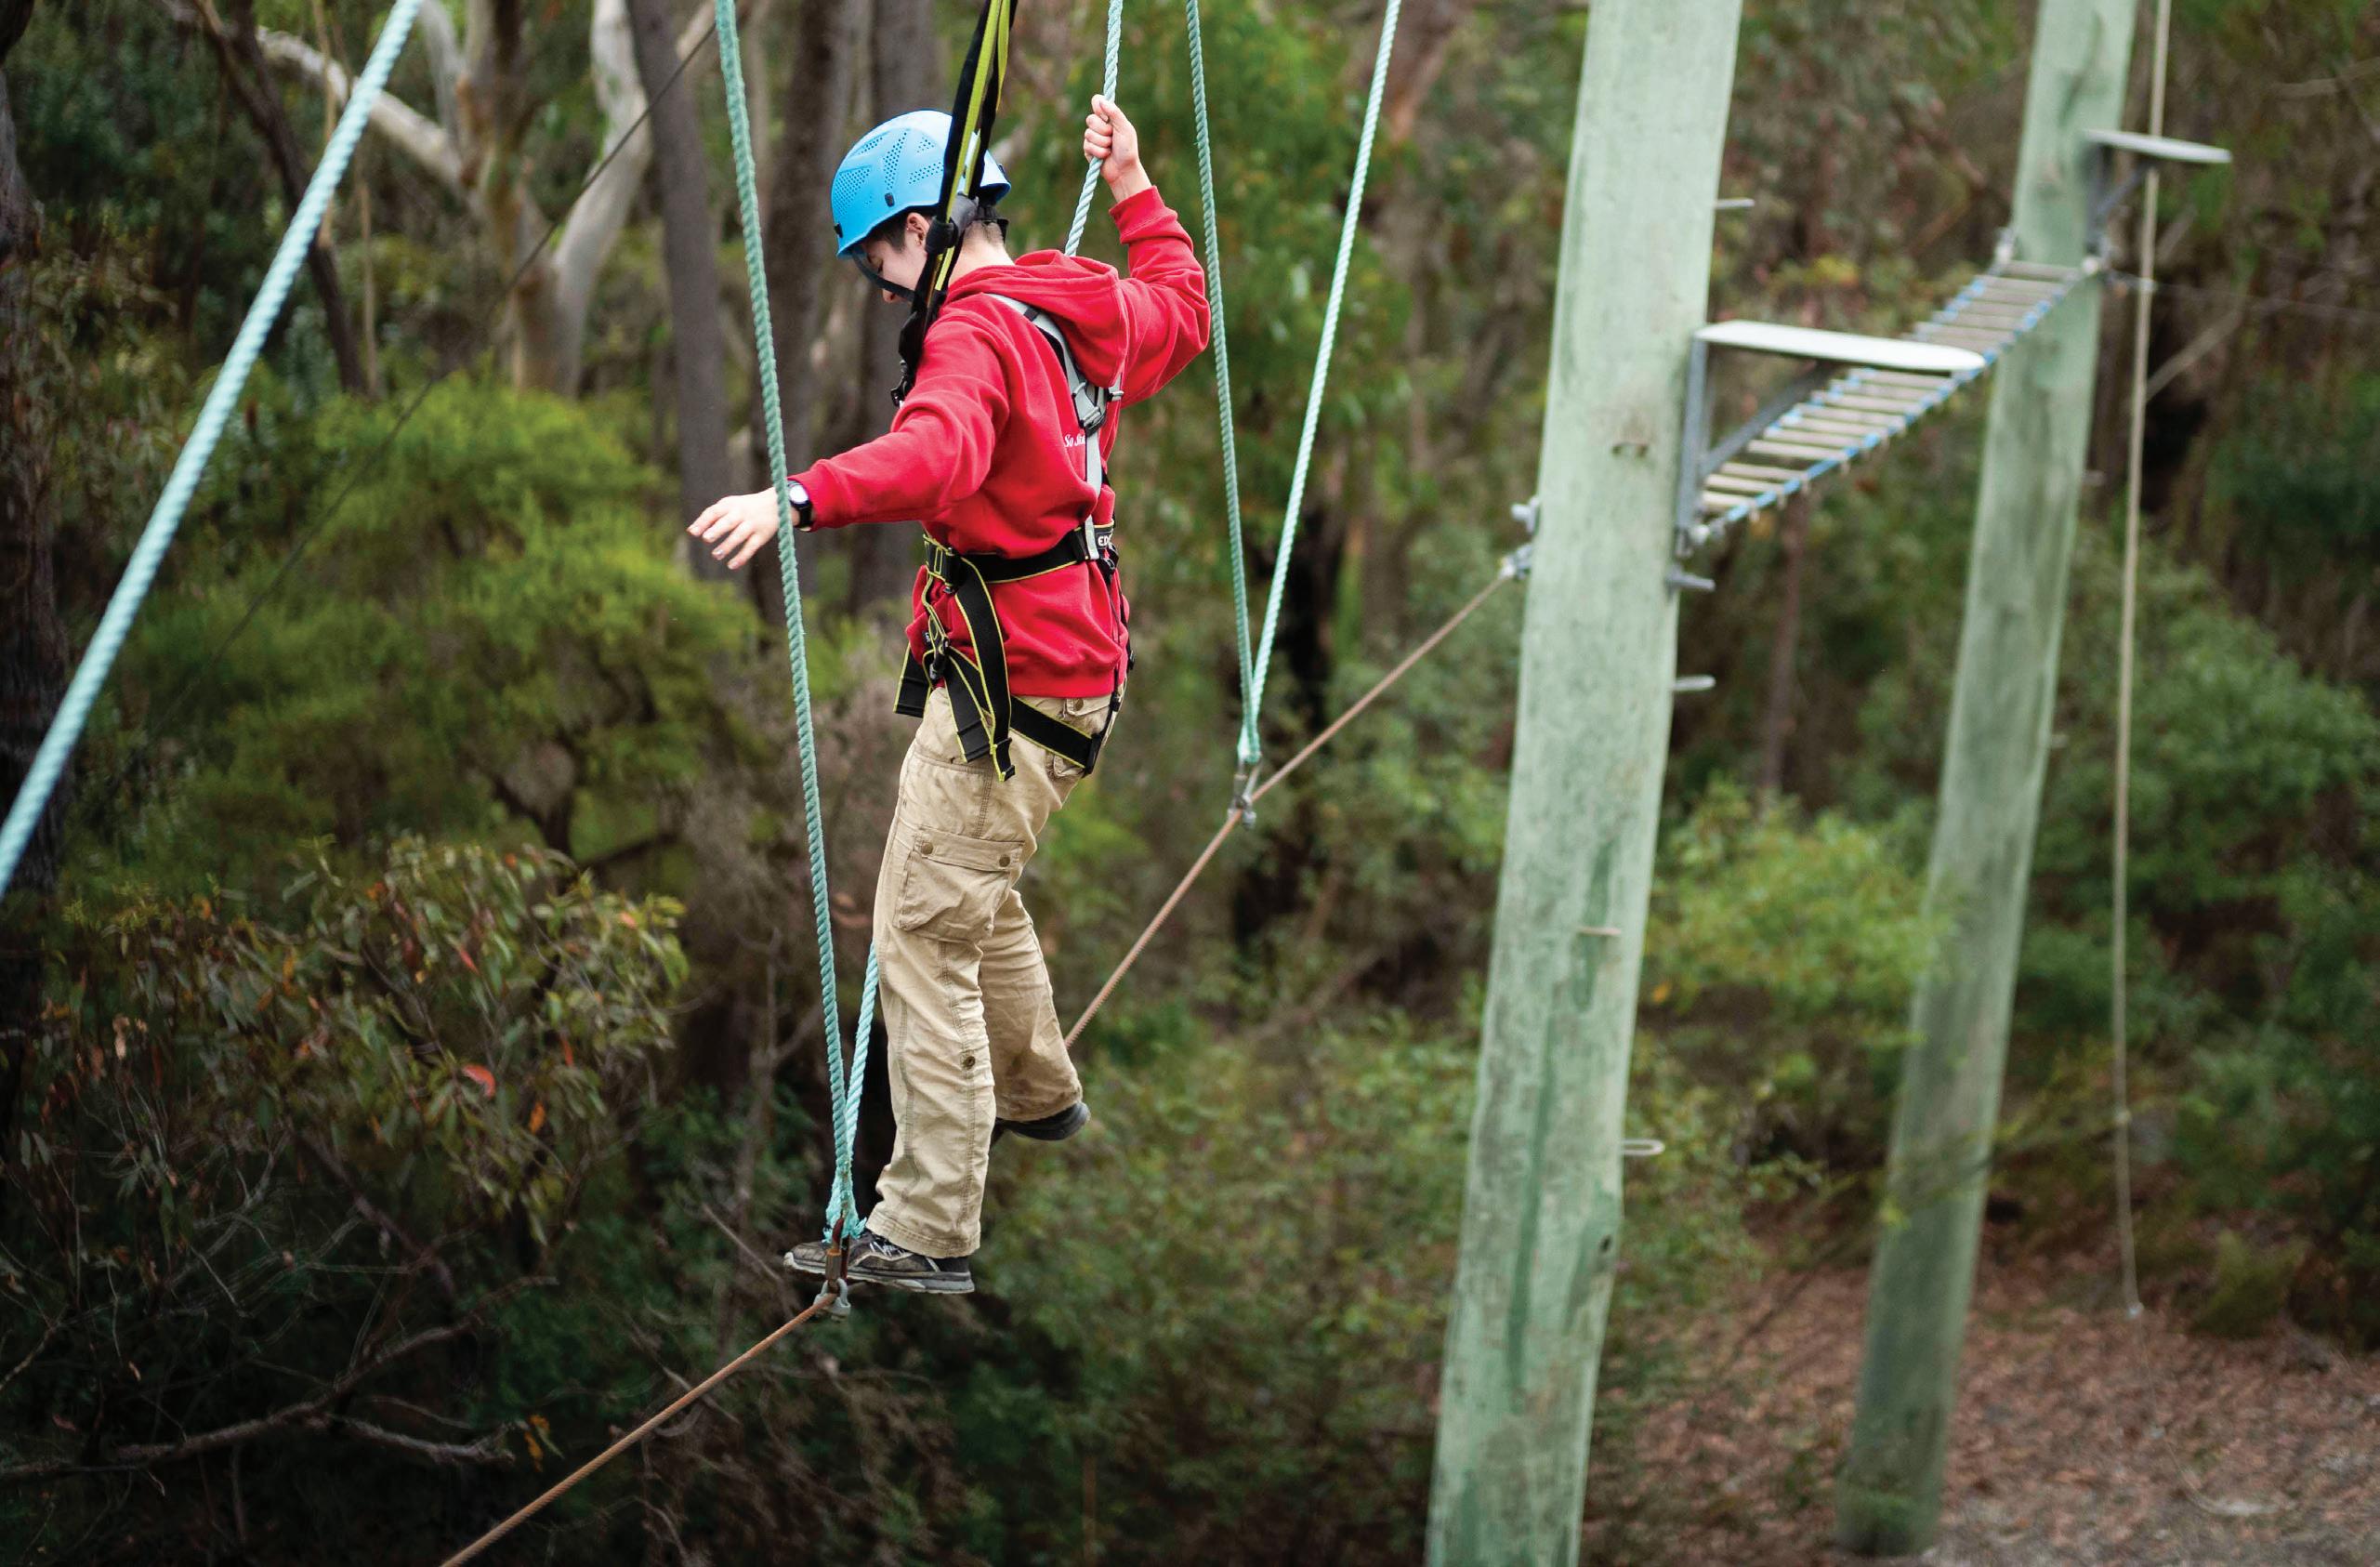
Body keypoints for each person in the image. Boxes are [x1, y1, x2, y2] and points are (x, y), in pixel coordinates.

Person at [689, 96, 1210, 1294]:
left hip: (1008, 688)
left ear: (921, 230)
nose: (882, 289)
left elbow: (937, 458)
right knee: (969, 882)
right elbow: (1178, 311)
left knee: (923, 933)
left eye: (880, 258)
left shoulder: (972, 336)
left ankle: (928, 1223)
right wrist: (1134, 184)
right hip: (1070, 679)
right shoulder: (1072, 300)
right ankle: (1036, 1091)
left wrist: (796, 501)